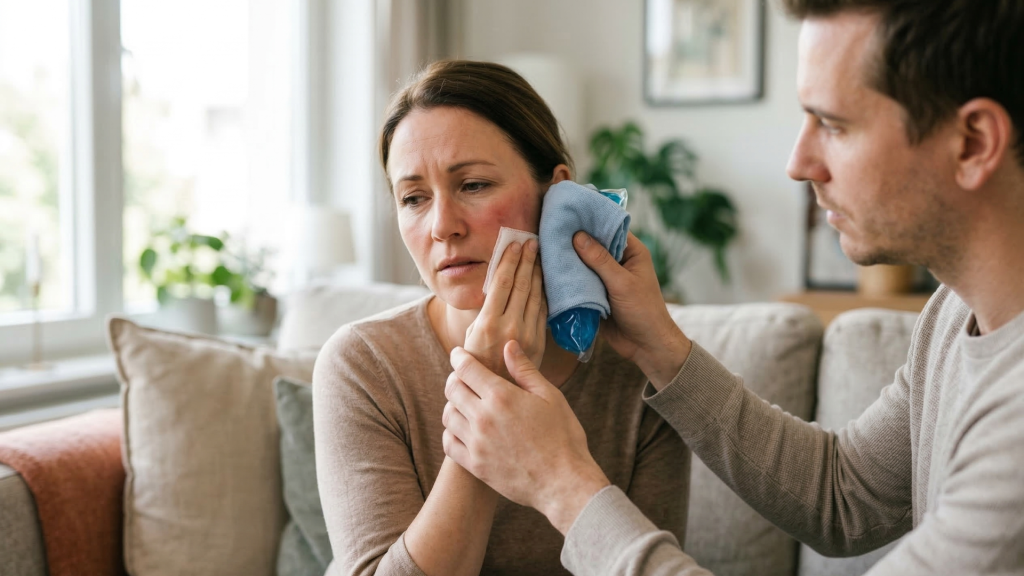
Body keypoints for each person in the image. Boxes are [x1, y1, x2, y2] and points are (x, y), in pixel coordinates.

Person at [440, 1, 1024, 575]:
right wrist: (659, 347)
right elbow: (846, 496)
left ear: (972, 143)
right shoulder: (955, 310)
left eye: (834, 124)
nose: (798, 162)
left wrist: (562, 485)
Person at [311, 60, 692, 576]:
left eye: (473, 185)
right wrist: (486, 385)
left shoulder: (640, 375)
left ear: (558, 194)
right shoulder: (362, 365)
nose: (442, 226)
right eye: (414, 198)